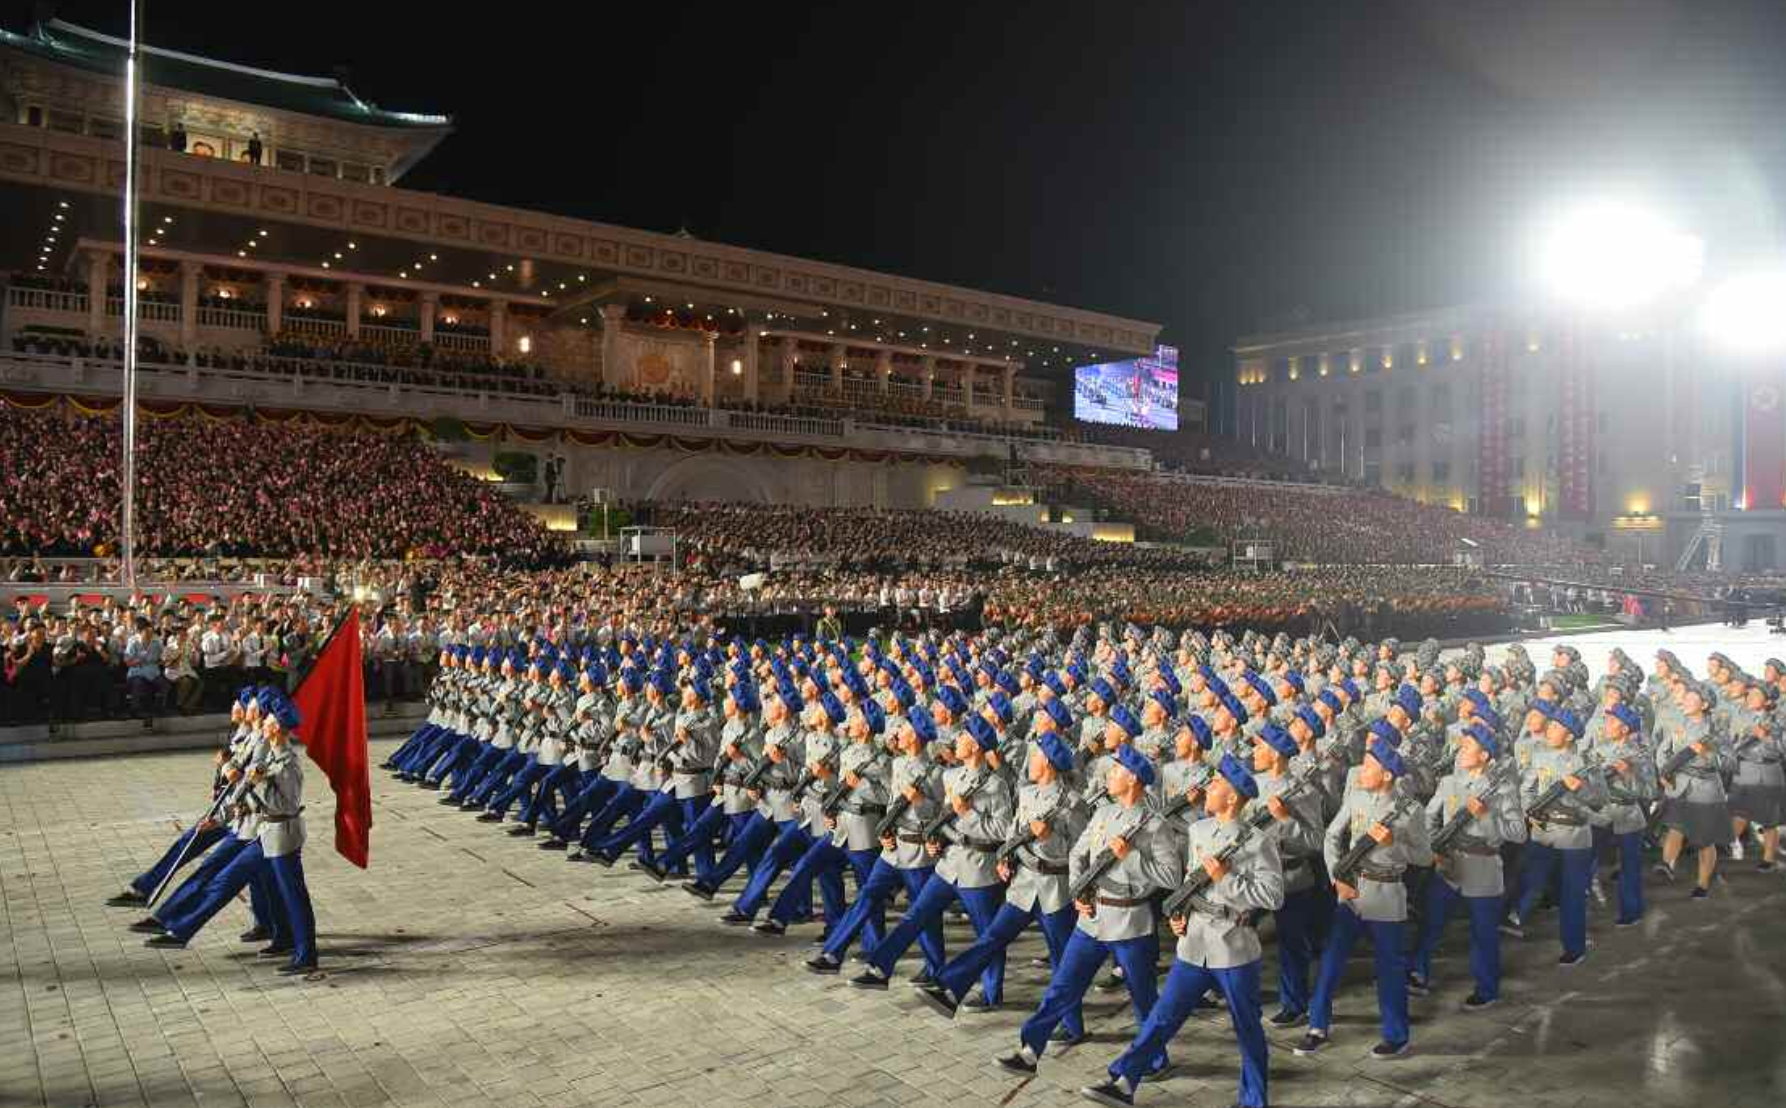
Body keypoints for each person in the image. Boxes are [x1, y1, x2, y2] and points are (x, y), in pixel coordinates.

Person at [1078, 753, 1285, 1108]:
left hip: (1233, 948)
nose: (1209, 788)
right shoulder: (1199, 830)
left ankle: (1253, 1101)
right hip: (1193, 944)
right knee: (1162, 1017)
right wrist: (1182, 915)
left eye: (1217, 784)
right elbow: (1190, 882)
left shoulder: (1256, 841)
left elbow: (1273, 896)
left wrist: (1227, 879)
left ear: (1233, 797)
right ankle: (1126, 1080)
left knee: (1247, 1028)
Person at [994, 745, 1180, 1079]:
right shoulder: (1104, 814)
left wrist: (1133, 857)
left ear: (1134, 779)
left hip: (1130, 922)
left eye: (1116, 771)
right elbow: (1079, 853)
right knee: (1063, 987)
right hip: (1092, 917)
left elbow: (1172, 876)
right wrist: (1080, 890)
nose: (1109, 775)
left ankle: (1156, 1059)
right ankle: (1030, 1049)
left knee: (1143, 997)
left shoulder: (1154, 825)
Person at [916, 716, 1085, 1020]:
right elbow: (1013, 834)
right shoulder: (1029, 794)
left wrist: (1048, 838)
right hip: (1022, 886)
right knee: (992, 938)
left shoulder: (1072, 803)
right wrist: (1008, 858)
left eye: (1035, 757)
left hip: (1054, 890)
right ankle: (949, 986)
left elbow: (1076, 853)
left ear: (1046, 763)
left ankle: (1071, 1024)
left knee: (1063, 959)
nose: (1029, 762)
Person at [1297, 738, 1431, 1060]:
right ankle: (1317, 1027)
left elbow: (1425, 857)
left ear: (1387, 775)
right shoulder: (1356, 798)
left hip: (1387, 895)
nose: (1362, 772)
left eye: (1370, 767)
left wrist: (1395, 843)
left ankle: (1396, 1036)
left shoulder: (1410, 811)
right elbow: (1332, 837)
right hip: (1353, 892)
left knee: (1389, 969)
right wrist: (1336, 880)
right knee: (1330, 962)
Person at [1411, 722, 1522, 1008]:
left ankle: (1487, 989)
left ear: (1484, 755)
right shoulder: (1450, 782)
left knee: (1483, 933)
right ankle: (1417, 973)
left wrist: (1485, 816)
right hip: (1448, 863)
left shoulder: (1502, 788)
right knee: (1430, 922)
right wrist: (1433, 847)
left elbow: (1517, 832)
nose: (1461, 751)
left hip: (1482, 867)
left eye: (1468, 747)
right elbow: (1427, 816)